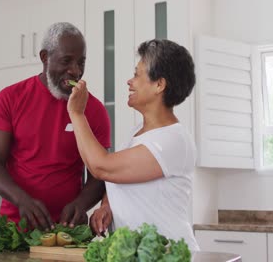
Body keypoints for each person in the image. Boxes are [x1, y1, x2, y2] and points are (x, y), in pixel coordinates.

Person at [67, 39, 200, 251]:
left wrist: (77, 113)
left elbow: (101, 167)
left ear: (159, 85)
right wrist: (107, 206)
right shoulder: (136, 133)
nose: (130, 81)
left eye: (137, 74)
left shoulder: (173, 140)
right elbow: (118, 177)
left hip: (167, 255)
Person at [0, 22, 111, 231]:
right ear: (45, 57)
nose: (76, 70)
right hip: (15, 229)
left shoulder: (95, 110)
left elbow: (100, 174)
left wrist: (81, 204)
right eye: (66, 61)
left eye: (81, 62)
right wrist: (22, 200)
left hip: (67, 231)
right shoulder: (9, 98)